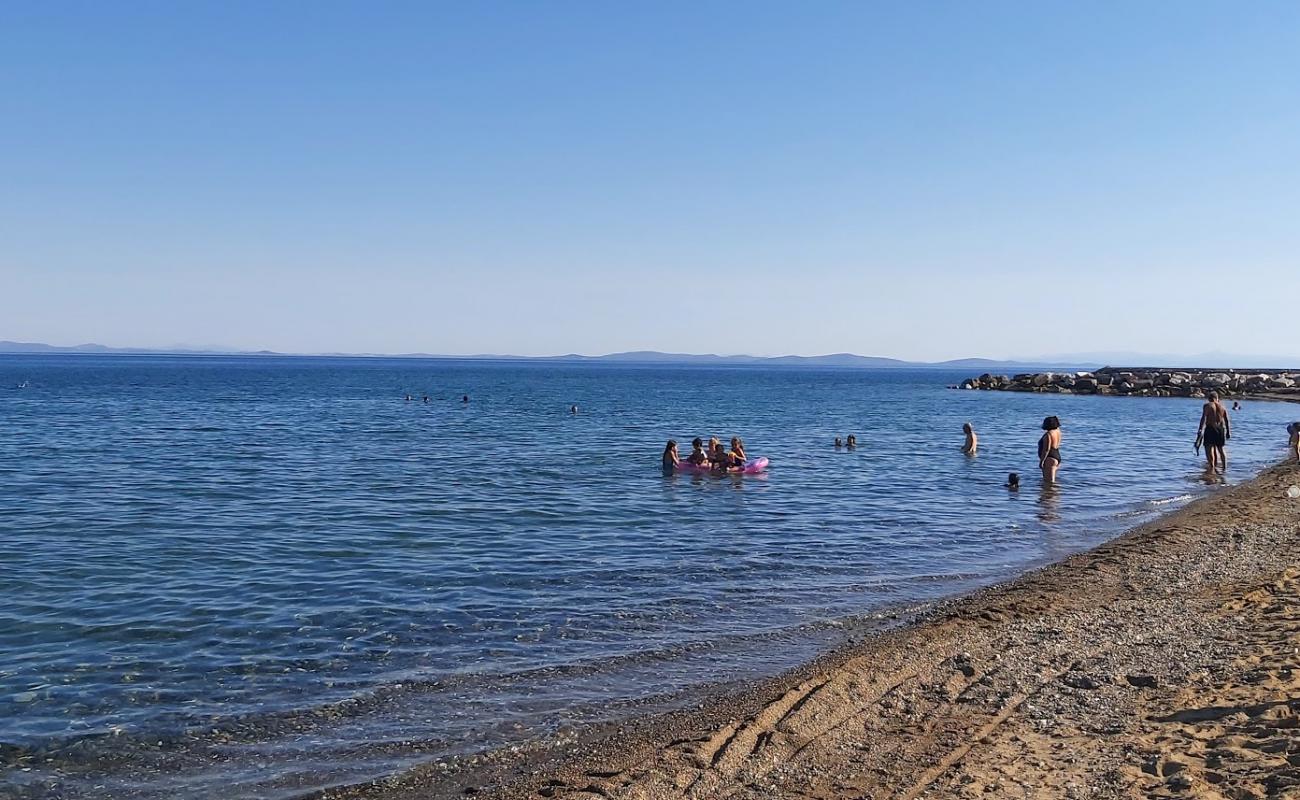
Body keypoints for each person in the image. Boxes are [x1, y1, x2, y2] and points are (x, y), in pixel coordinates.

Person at [1198, 391, 1231, 473]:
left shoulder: (1207, 405)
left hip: (1210, 428)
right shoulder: (1222, 407)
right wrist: (1228, 432)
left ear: (1209, 398)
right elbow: (1226, 420)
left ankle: (1212, 468)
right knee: (1221, 449)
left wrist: (1200, 429)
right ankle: (1224, 468)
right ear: (1217, 398)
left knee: (1209, 448)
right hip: (1220, 428)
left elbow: (1204, 418)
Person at [1038, 416, 1062, 485]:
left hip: (1049, 458)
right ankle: (1053, 494)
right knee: (1051, 480)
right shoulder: (1058, 431)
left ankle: (1050, 494)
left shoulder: (1048, 435)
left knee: (1049, 482)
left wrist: (1042, 461)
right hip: (1056, 454)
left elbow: (1046, 449)